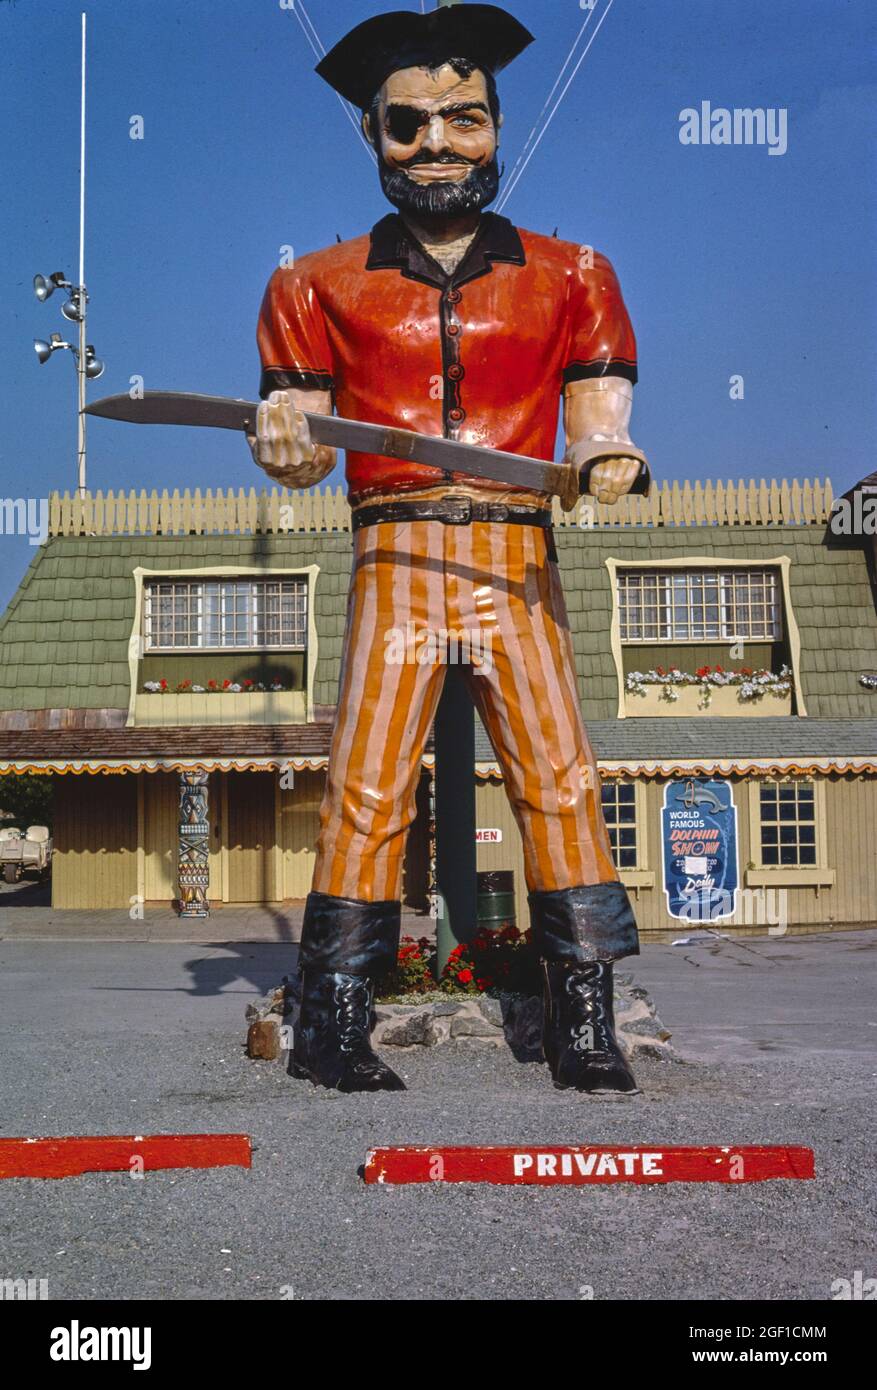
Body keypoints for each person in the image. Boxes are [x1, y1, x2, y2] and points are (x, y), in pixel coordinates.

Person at [251, 5, 650, 1095]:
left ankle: (584, 1024)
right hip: (394, 551)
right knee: (367, 783)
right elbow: (301, 443)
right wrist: (286, 442)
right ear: (373, 134)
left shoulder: (574, 273)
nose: (436, 143)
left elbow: (596, 409)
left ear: (496, 126)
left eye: (463, 118)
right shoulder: (311, 285)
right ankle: (333, 1027)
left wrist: (605, 451)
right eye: (408, 122)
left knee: (558, 779)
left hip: (516, 553)